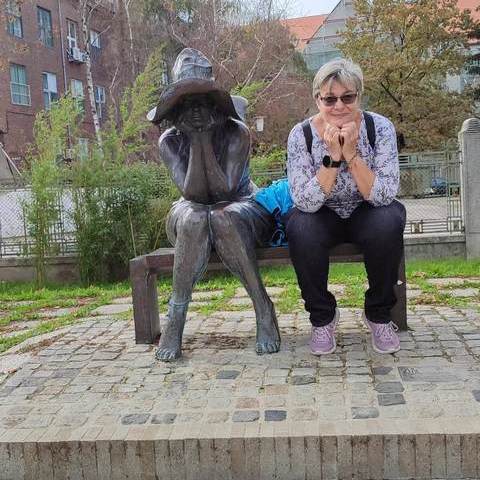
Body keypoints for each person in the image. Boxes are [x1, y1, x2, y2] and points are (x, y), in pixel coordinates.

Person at [148, 48, 280, 361]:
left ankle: (263, 307)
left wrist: (204, 138)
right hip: (190, 210)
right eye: (187, 103)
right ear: (177, 108)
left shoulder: (237, 133)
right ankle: (176, 315)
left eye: (202, 101)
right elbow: (193, 194)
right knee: (195, 217)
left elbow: (224, 190)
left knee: (222, 215)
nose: (195, 110)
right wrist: (196, 139)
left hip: (241, 206)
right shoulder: (169, 141)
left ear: (215, 104)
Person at [286, 57, 406, 355]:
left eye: (347, 97)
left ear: (359, 96)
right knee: (300, 227)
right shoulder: (301, 135)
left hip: (367, 210)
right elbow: (305, 201)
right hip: (322, 213)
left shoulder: (380, 128)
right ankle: (322, 318)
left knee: (388, 220)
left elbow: (384, 194)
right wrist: (333, 157)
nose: (339, 106)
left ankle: (378, 314)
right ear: (317, 99)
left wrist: (351, 155)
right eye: (329, 99)